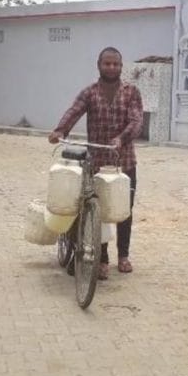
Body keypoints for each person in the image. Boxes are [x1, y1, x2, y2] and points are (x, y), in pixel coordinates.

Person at [48, 47, 143, 280]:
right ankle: (102, 258)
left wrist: (122, 138)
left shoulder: (132, 92)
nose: (111, 68)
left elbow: (136, 120)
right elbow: (74, 111)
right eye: (107, 64)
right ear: (99, 65)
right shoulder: (89, 93)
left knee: (123, 211)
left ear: (121, 66)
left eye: (116, 64)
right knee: (96, 212)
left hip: (124, 163)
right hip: (97, 162)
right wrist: (60, 130)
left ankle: (123, 256)